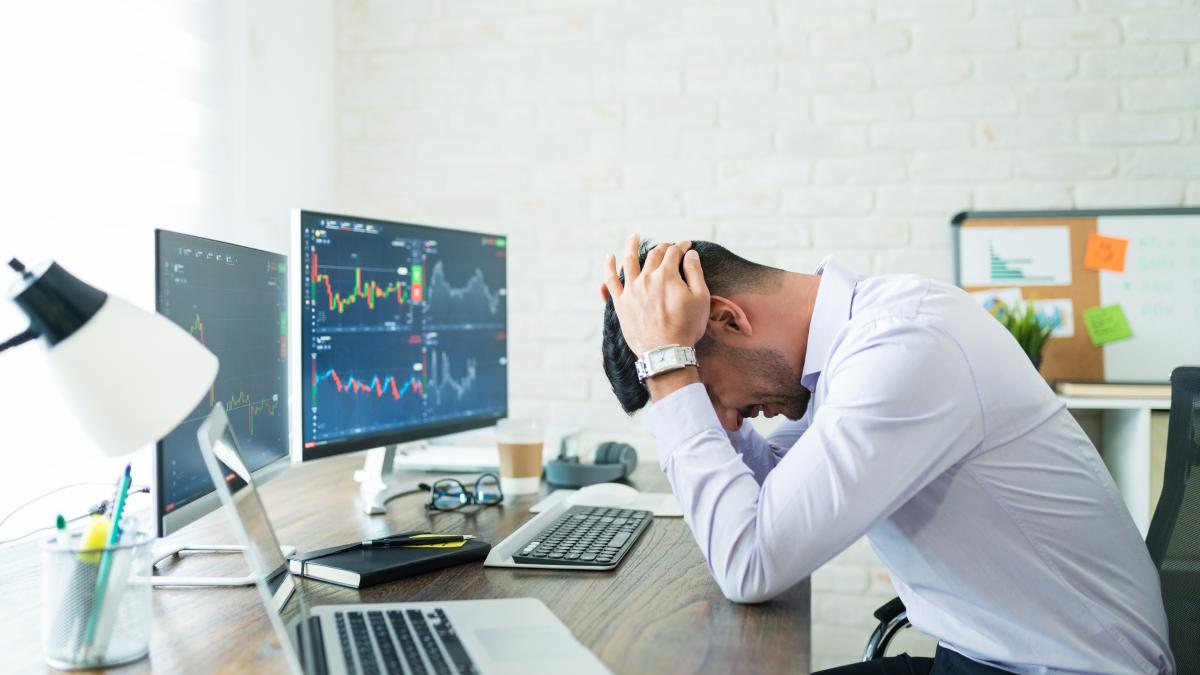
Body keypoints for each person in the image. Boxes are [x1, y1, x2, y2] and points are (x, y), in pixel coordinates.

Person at [599, 236, 1173, 675]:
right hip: (988, 656)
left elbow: (750, 564)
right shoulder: (852, 346)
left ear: (728, 318)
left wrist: (671, 368)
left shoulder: (903, 347)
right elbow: (773, 493)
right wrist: (670, 370)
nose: (722, 421)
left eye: (708, 397)